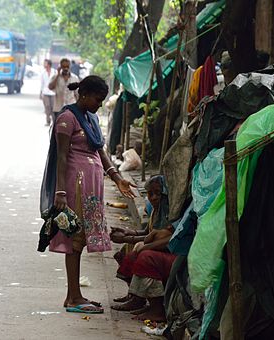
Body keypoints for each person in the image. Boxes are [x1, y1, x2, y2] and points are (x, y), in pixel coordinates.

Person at [42, 75, 136, 314]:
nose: (100, 104)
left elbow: (101, 153)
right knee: (74, 240)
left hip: (91, 189)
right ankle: (74, 297)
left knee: (81, 240)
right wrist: (60, 192)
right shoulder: (66, 118)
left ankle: (74, 295)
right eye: (97, 99)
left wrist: (117, 178)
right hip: (75, 188)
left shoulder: (91, 118)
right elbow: (61, 158)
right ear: (83, 94)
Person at [111, 176, 177, 322]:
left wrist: (135, 241)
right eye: (150, 193)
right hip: (161, 252)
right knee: (125, 252)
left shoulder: (172, 211)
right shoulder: (155, 210)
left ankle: (156, 309)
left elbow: (166, 239)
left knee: (144, 256)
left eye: (157, 194)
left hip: (173, 255)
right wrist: (128, 233)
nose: (153, 198)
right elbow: (148, 232)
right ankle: (136, 297)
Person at [48, 58, 79, 122]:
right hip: (58, 109)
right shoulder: (55, 77)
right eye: (63, 67)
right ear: (60, 67)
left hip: (71, 108)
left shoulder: (75, 78)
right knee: (57, 128)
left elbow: (77, 94)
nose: (66, 68)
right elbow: (50, 87)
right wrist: (58, 74)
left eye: (67, 66)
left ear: (70, 66)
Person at [40, 59, 56, 126]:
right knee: (47, 107)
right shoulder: (43, 73)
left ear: (48, 64)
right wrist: (40, 92)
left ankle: (54, 121)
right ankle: (48, 121)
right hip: (45, 92)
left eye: (45, 63)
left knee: (53, 107)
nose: (44, 64)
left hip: (53, 93)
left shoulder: (54, 72)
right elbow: (42, 83)